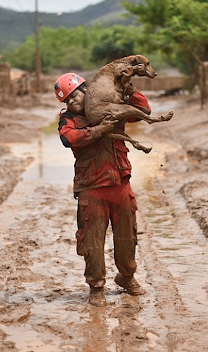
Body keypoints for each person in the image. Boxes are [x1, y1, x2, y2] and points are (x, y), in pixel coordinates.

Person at [54, 72, 151, 306]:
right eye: (66, 100)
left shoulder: (111, 107)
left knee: (127, 236)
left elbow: (143, 110)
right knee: (93, 241)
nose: (71, 102)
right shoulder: (67, 119)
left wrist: (128, 88)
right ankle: (96, 287)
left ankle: (127, 278)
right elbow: (69, 139)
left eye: (73, 95)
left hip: (120, 184)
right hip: (92, 189)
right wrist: (98, 130)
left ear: (87, 90)